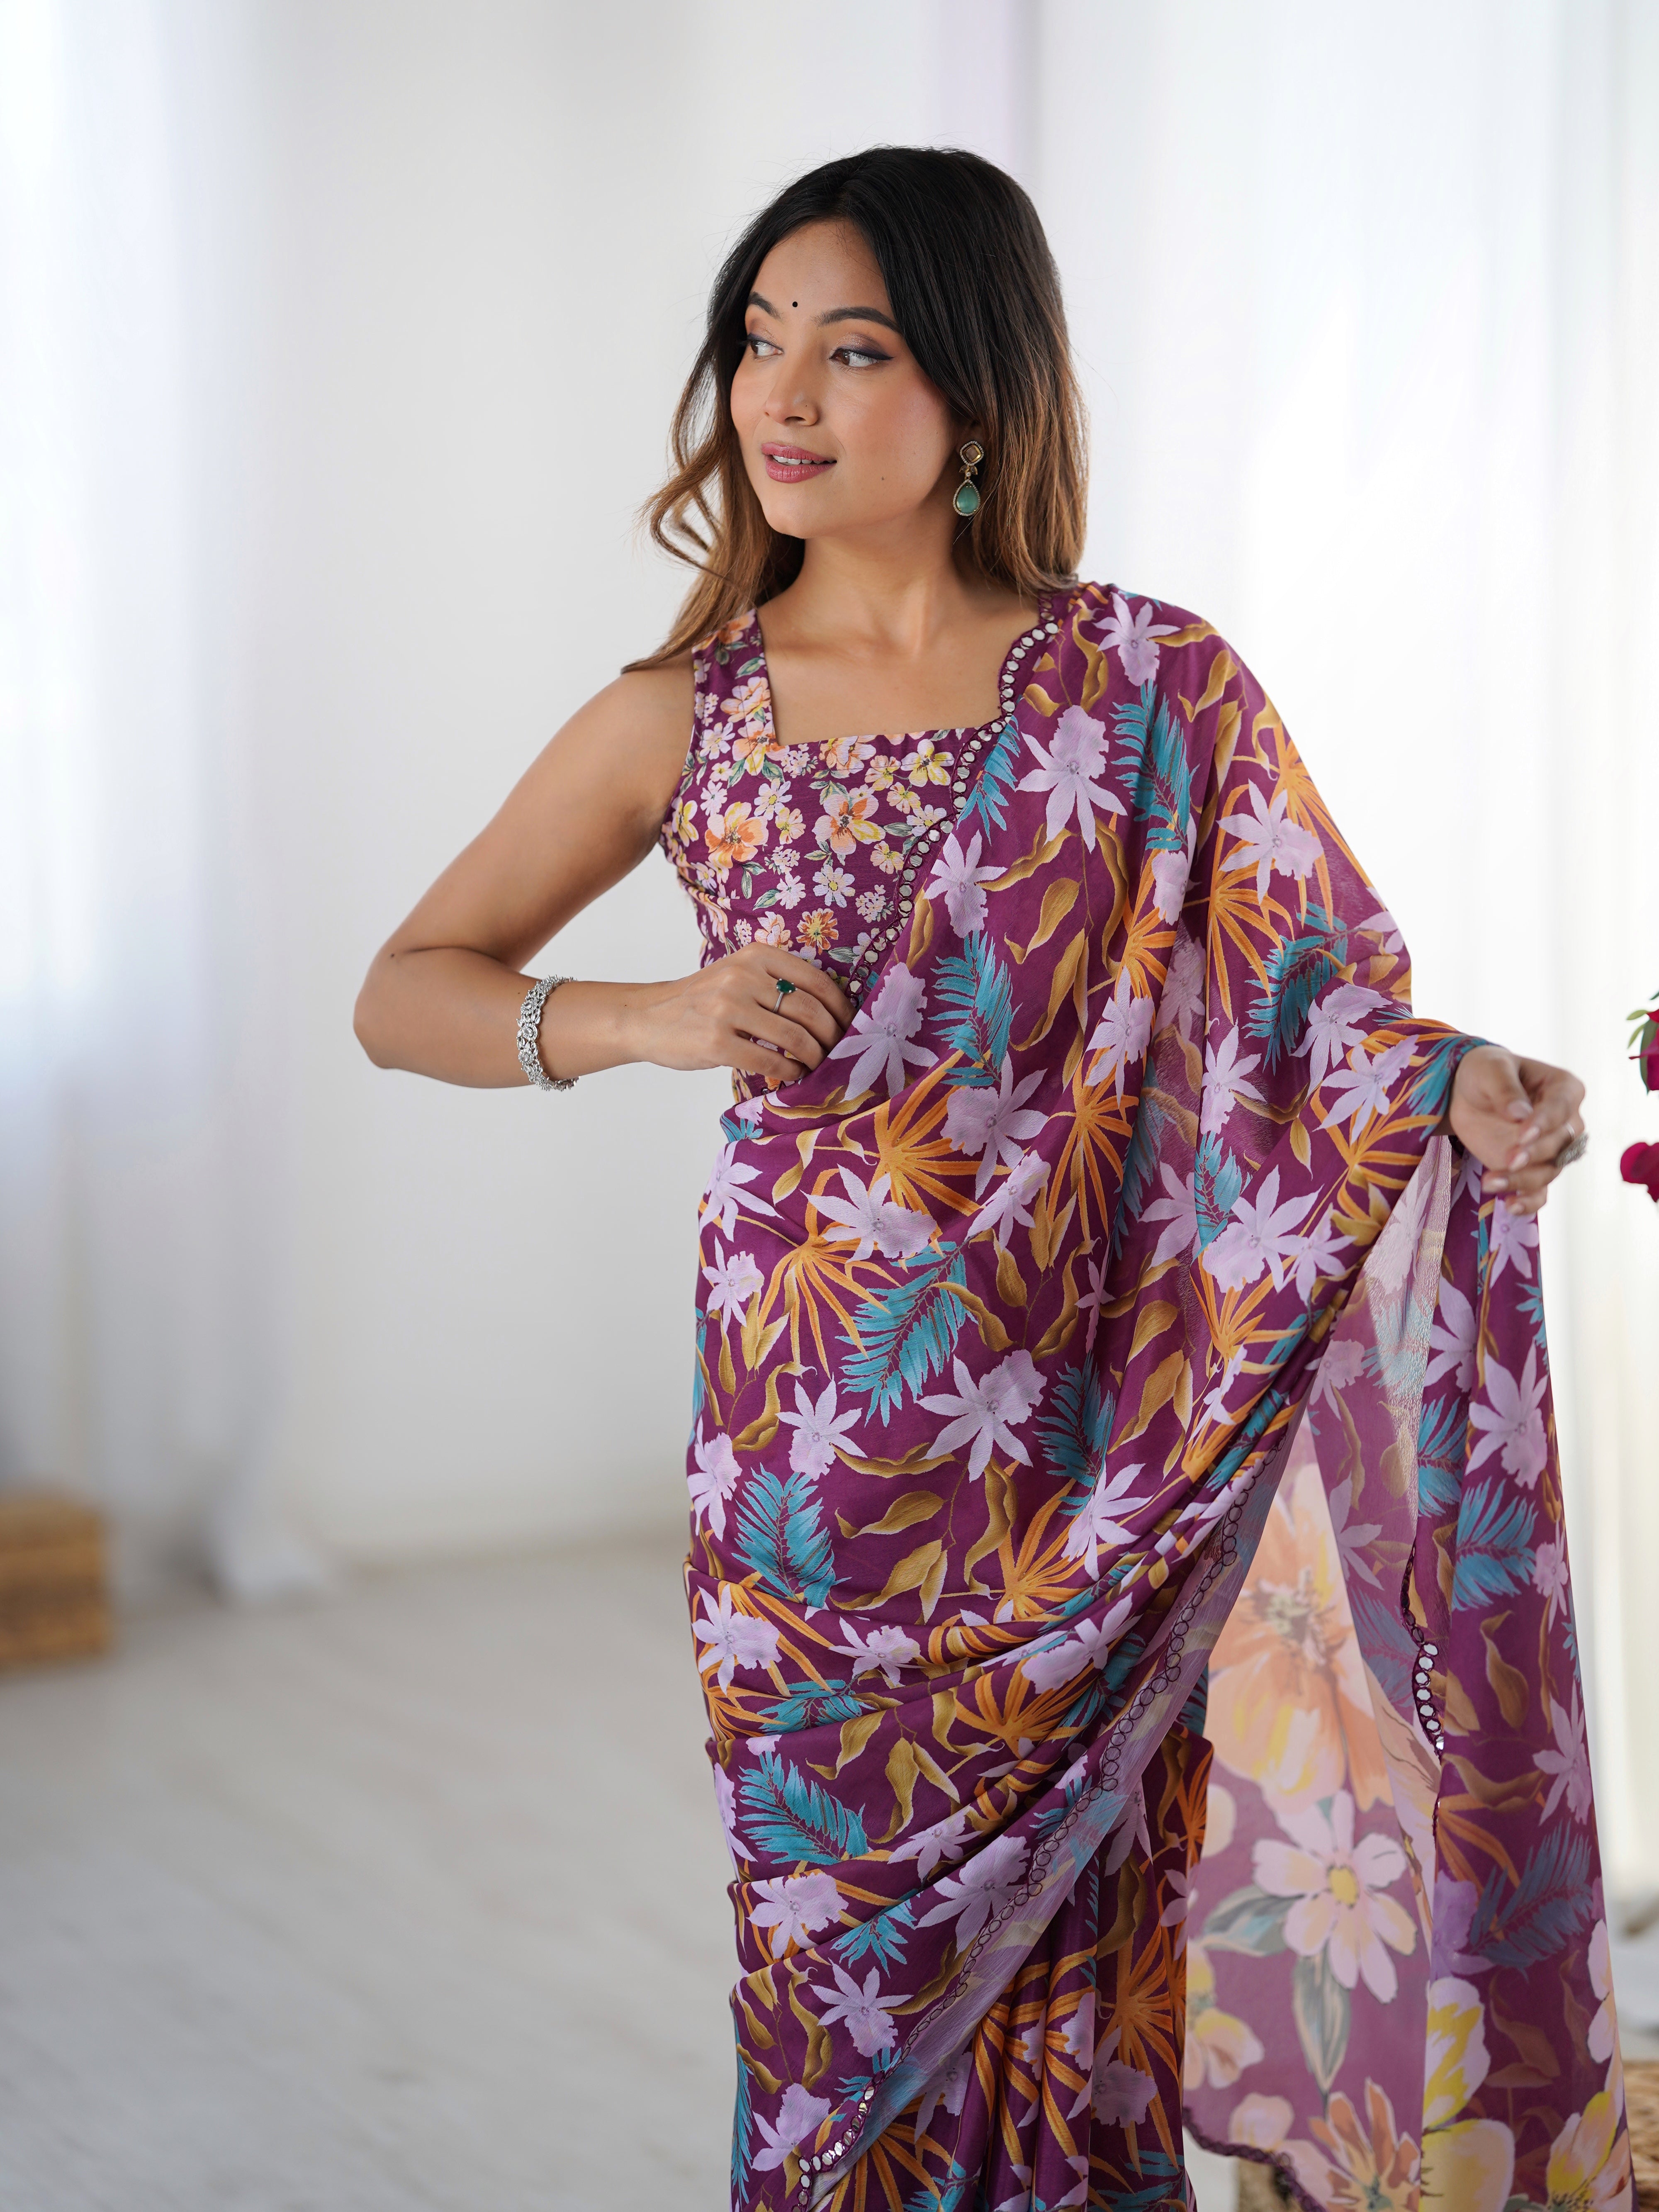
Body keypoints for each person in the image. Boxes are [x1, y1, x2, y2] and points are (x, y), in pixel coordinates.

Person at [355, 149, 1614, 2212]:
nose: (783, 391)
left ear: (974, 390)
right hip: (815, 1476)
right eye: (758, 340)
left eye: (850, 347)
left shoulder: (1154, 685)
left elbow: (1308, 1005)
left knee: (1083, 1985)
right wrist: (645, 1017)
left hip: (1100, 1465)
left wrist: (1462, 1081)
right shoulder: (681, 719)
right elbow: (403, 988)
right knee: (835, 1994)